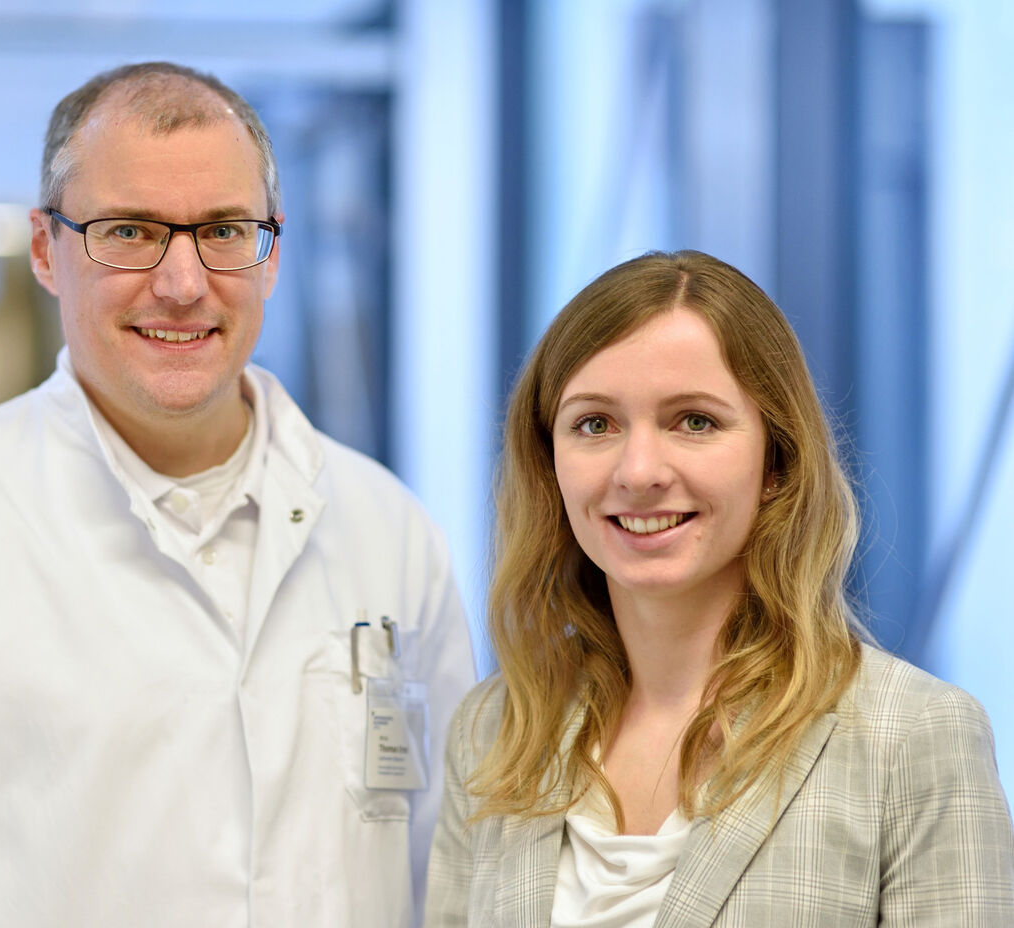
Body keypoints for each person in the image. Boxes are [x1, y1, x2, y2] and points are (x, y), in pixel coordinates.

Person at [0, 62, 475, 927]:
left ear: (272, 253)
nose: (183, 283)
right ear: (44, 249)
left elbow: (448, 874)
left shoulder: (388, 531)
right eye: (131, 232)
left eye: (222, 230)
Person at [425, 250, 1014, 926]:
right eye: (594, 424)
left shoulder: (913, 737)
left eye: (693, 421)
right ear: (548, 463)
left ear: (775, 462)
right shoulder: (494, 731)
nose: (638, 470)